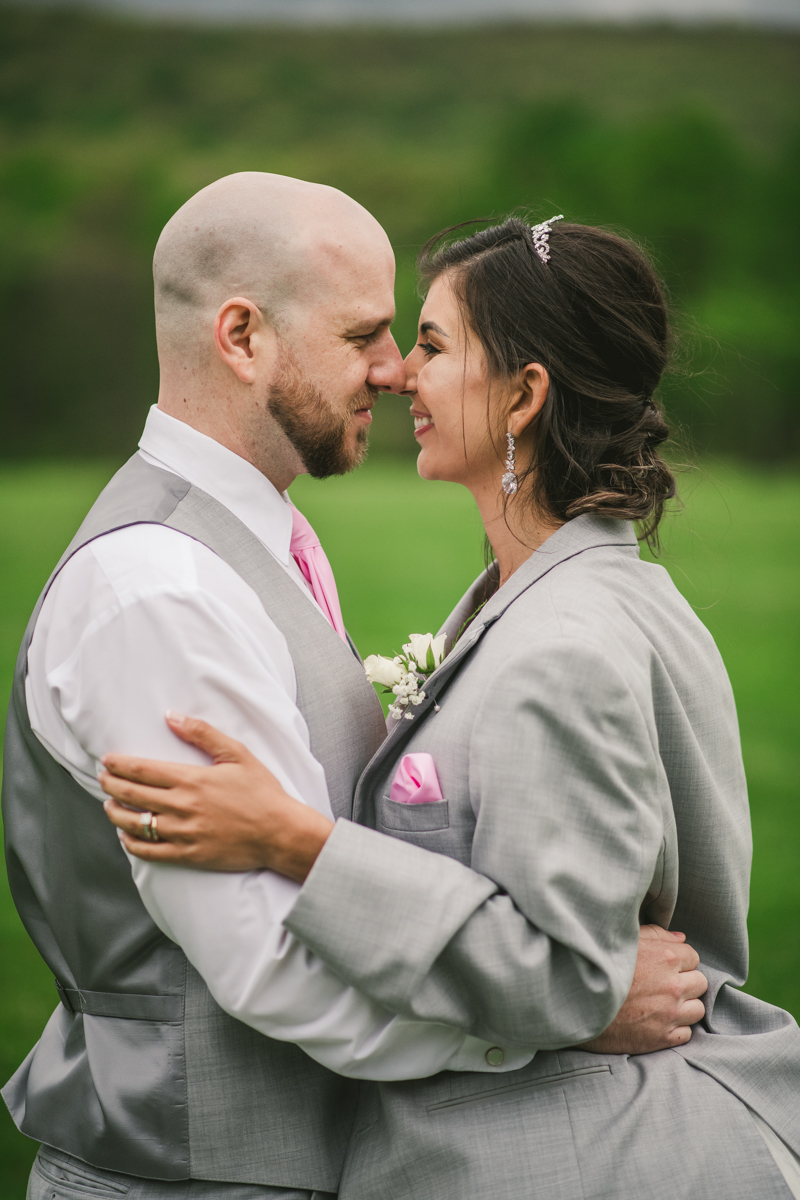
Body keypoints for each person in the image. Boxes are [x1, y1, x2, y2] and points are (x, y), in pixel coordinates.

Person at [2, 178, 700, 1200]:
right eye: (364, 334)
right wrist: (564, 1010)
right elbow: (275, 962)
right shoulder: (156, 589)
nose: (391, 371)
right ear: (242, 337)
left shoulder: (261, 538)